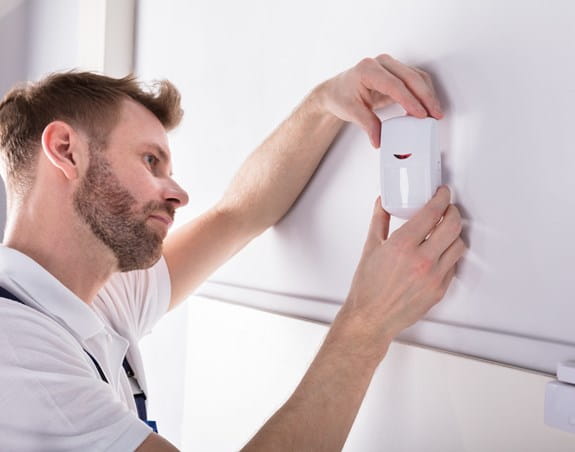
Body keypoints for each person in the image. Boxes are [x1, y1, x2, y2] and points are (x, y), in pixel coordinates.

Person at [0, 53, 465, 451]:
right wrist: (367, 324)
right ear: (66, 150)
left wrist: (326, 102)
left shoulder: (91, 296)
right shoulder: (15, 351)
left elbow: (239, 214)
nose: (178, 193)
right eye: (150, 160)